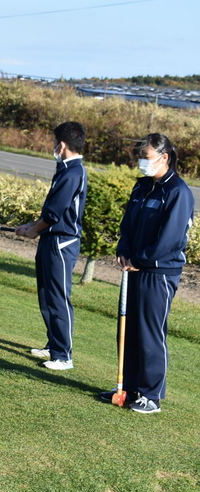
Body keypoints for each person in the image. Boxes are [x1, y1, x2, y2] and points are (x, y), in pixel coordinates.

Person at [99, 133, 194, 413]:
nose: (142, 162)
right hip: (133, 267)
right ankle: (127, 388)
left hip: (159, 272)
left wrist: (140, 259)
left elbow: (170, 239)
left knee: (150, 332)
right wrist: (123, 250)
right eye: (140, 156)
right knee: (128, 330)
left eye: (146, 156)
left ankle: (151, 395)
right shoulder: (142, 187)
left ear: (164, 157)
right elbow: (127, 224)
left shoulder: (177, 191)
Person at [16, 122, 87, 370]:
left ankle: (63, 355)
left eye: (55, 141)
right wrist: (31, 226)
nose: (53, 146)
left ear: (62, 144)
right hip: (50, 239)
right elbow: (49, 211)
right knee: (46, 295)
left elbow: (55, 213)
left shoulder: (73, 172)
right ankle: (53, 344)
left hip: (62, 241)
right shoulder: (65, 169)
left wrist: (33, 230)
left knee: (58, 297)